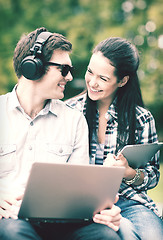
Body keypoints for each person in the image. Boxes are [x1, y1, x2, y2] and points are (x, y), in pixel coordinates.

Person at [0, 27, 139, 240]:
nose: (71, 76)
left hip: (62, 220)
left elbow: (80, 193)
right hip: (11, 220)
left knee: (105, 235)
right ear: (33, 68)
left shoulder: (73, 120)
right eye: (64, 69)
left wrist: (104, 211)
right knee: (14, 233)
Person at [66, 37, 163, 240]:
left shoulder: (141, 119)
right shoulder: (69, 111)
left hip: (130, 202)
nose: (92, 82)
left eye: (103, 78)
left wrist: (127, 172)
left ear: (122, 81)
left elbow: (152, 176)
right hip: (82, 202)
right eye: (90, 72)